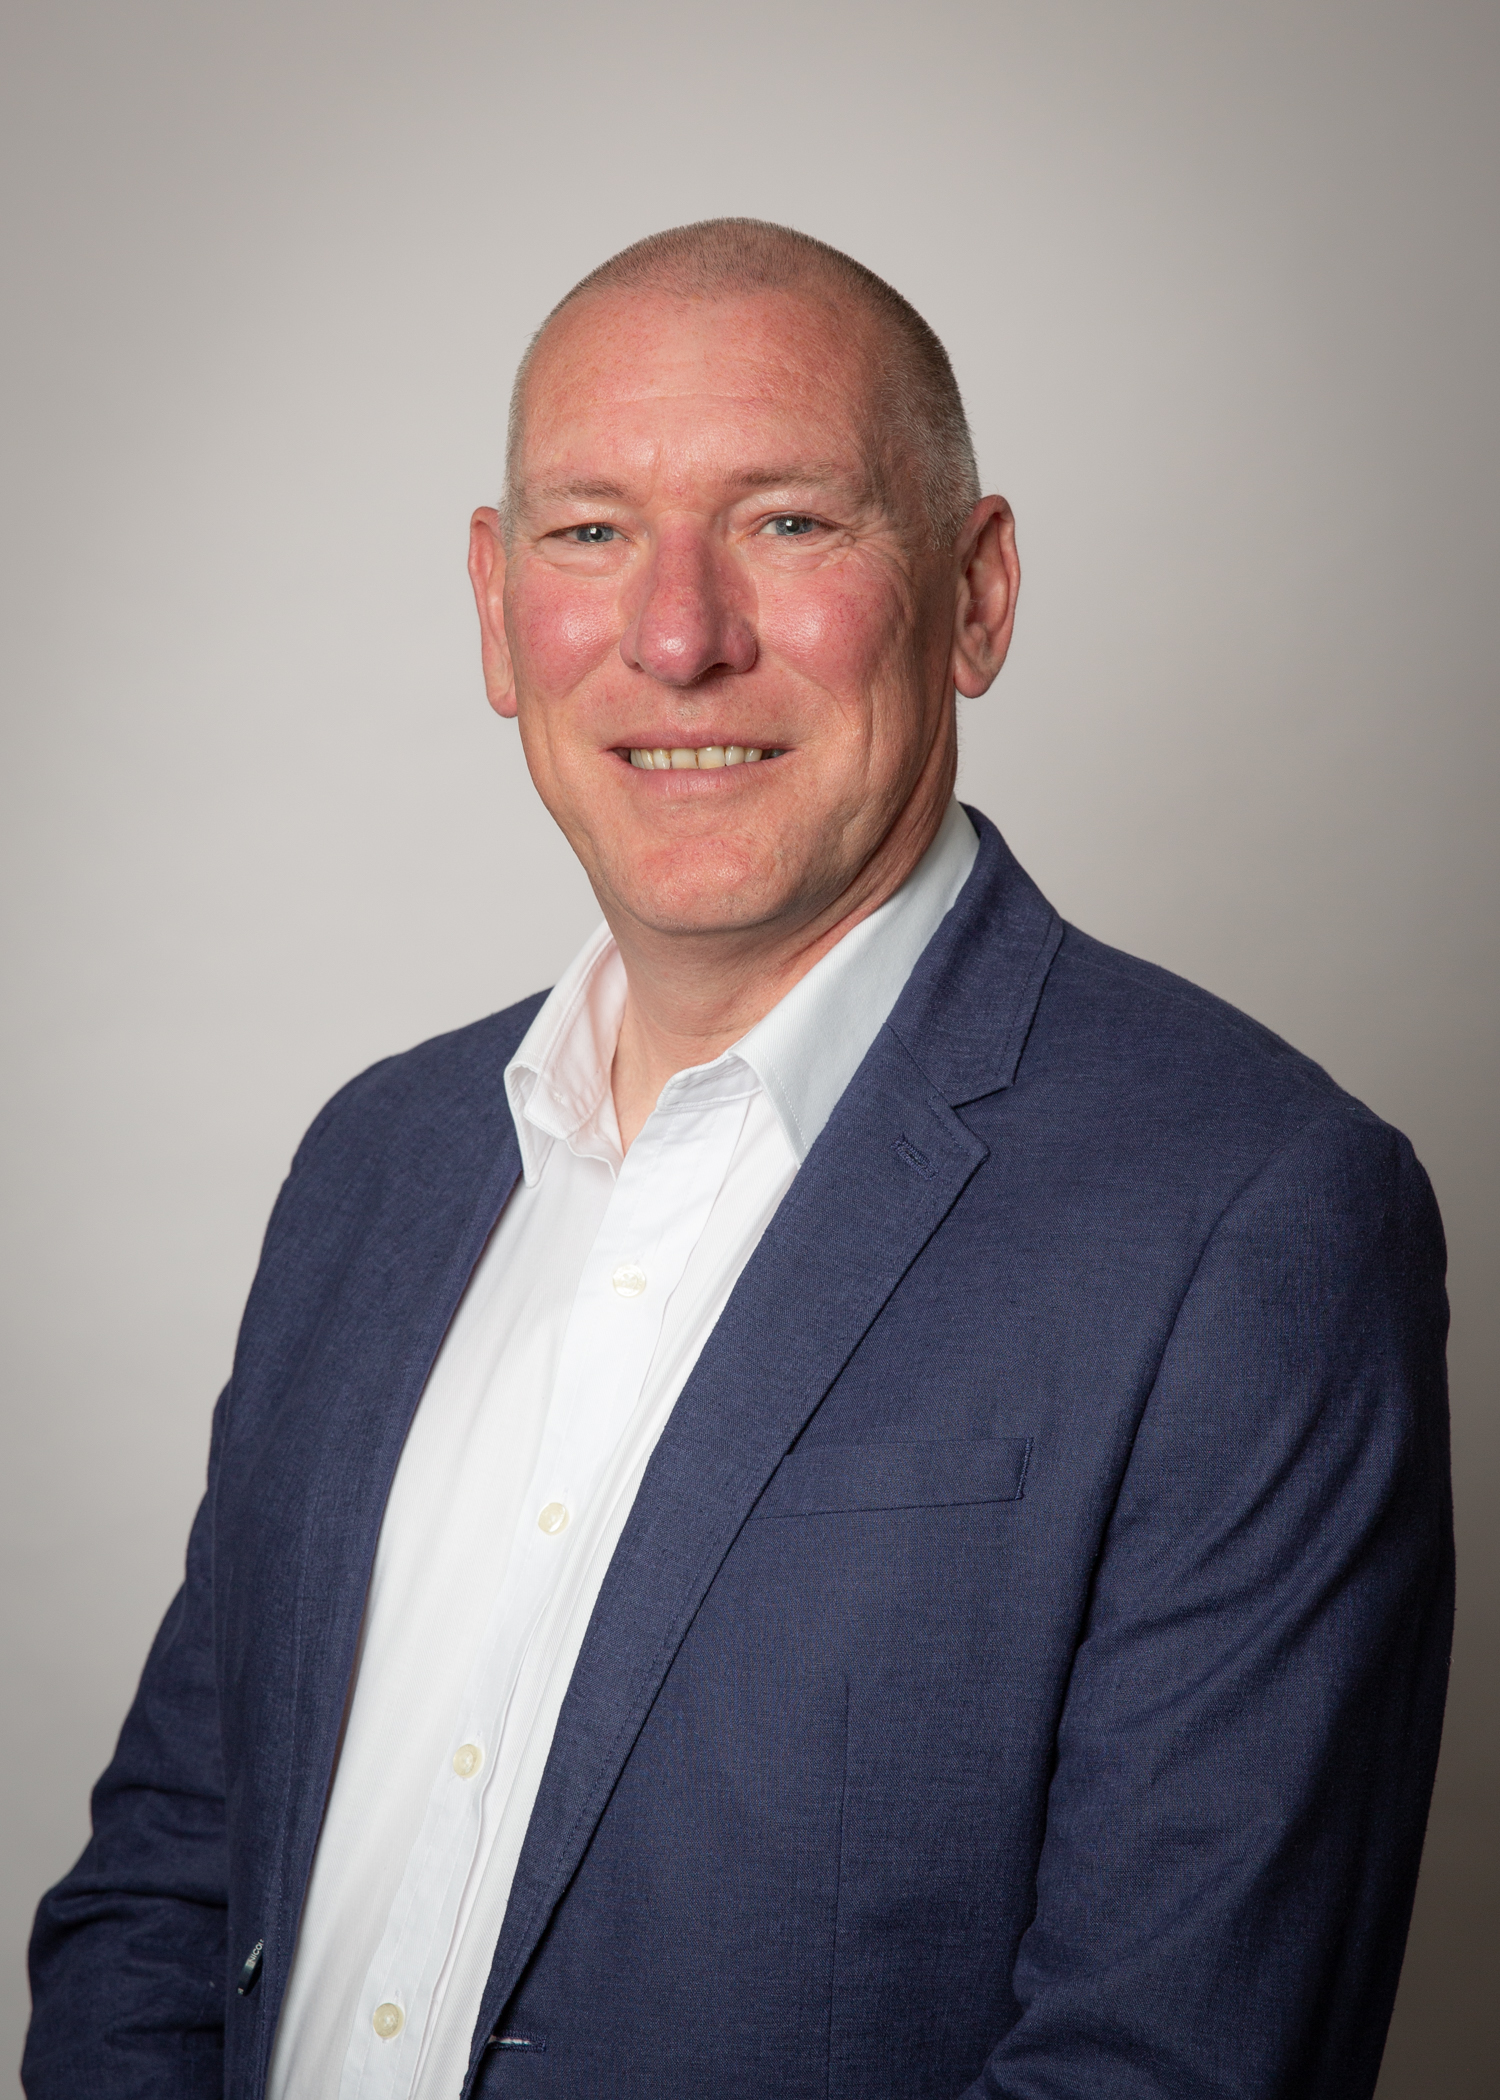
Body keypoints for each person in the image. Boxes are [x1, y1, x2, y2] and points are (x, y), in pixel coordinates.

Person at [24, 218, 1452, 2100]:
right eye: (591, 532)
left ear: (977, 593)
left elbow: (1171, 2066)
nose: (677, 636)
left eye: (789, 521)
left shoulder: (1249, 1218)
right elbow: (170, 1881)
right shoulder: (377, 1164)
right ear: (492, 605)